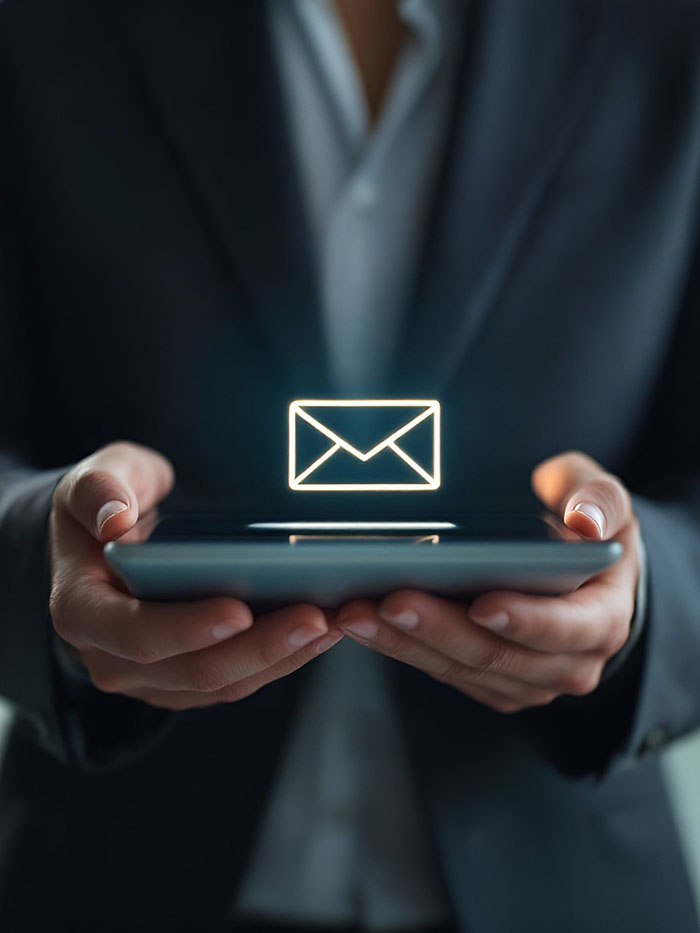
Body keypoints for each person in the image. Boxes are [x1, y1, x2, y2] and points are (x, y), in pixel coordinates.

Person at [0, 0, 699, 930]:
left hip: (565, 884)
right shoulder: (47, 25)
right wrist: (47, 553)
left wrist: (640, 599)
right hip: (114, 881)